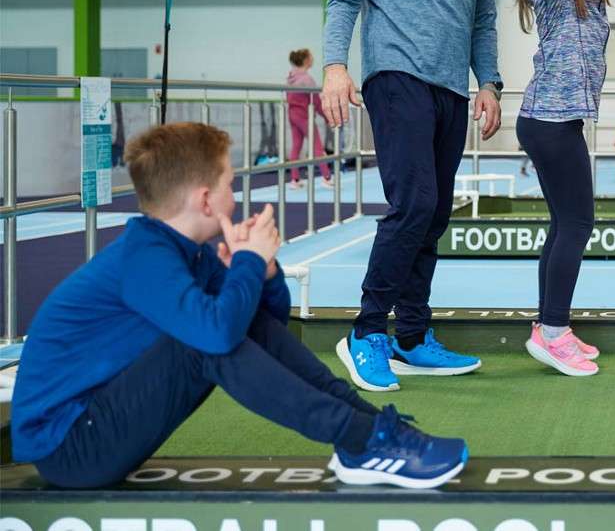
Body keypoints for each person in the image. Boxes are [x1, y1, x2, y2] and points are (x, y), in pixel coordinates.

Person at [9, 123, 467, 489]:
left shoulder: (189, 251)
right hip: (70, 449)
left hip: (102, 421)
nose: (237, 195)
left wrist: (263, 272)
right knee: (203, 343)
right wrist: (247, 261)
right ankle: (362, 438)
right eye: (230, 183)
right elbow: (217, 339)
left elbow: (266, 325)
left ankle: (369, 432)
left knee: (228, 328)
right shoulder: (144, 257)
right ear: (206, 200)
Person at [321, 0, 502, 391]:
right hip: (395, 76)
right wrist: (333, 66)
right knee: (414, 202)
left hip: (451, 89)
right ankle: (367, 332)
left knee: (436, 212)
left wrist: (490, 82)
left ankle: (412, 337)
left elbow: (485, 20)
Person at [514, 0, 615, 377]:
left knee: (564, 224)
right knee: (579, 222)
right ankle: (553, 331)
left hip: (560, 121)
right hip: (548, 121)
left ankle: (549, 325)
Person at [286, 48, 333, 188]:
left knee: (296, 146)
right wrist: (327, 117)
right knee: (317, 146)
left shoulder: (291, 77)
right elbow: (316, 102)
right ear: (306, 60)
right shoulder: (307, 79)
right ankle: (327, 177)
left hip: (292, 115)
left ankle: (294, 179)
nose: (313, 58)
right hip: (303, 117)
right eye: (311, 56)